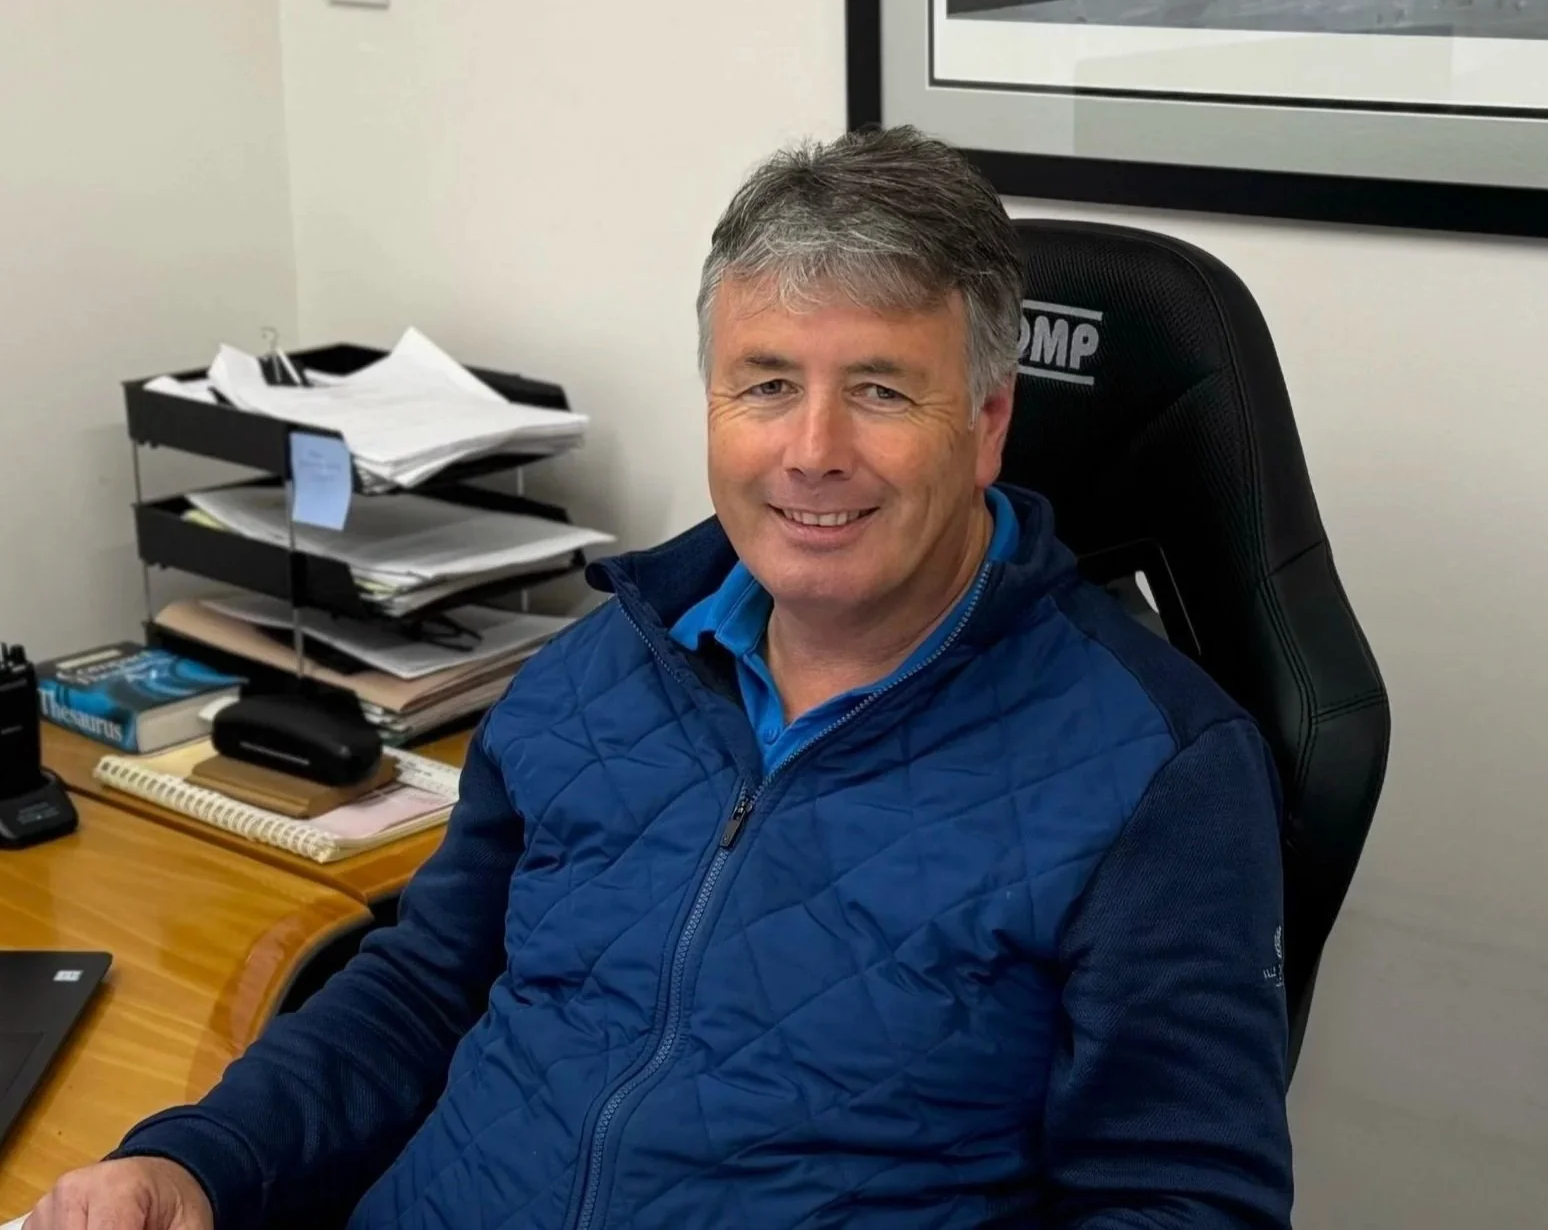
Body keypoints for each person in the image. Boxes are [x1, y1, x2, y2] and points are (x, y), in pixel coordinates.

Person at [26, 126, 1292, 1230]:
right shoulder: (596, 670)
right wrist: (193, 1166)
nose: (811, 450)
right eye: (765, 384)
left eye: (880, 390)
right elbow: (421, 993)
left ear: (987, 420)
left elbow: (1180, 1200)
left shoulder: (1155, 771)